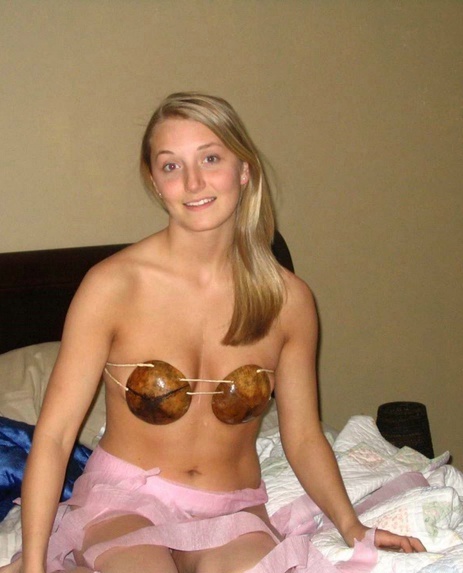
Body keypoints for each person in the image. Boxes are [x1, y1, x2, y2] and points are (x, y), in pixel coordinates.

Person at [1, 92, 425, 573]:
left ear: (243, 170)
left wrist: (351, 526)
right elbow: (55, 437)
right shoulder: (113, 286)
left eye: (210, 158)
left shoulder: (289, 301)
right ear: (155, 182)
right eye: (171, 166)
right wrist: (33, 563)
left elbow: (304, 436)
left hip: (232, 510)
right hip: (123, 503)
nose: (193, 182)